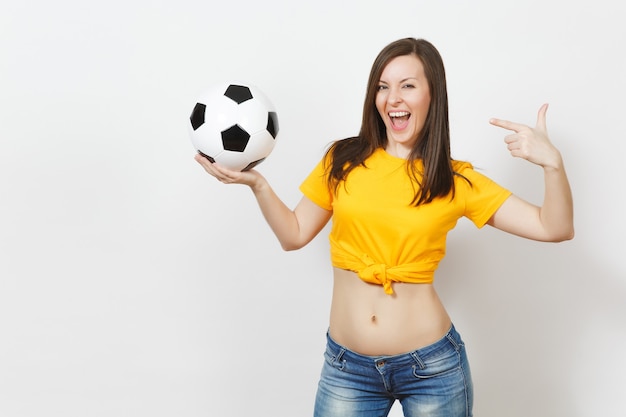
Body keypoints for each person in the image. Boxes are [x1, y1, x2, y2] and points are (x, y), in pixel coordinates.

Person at [195, 37, 574, 417]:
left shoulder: (455, 180)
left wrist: (552, 165)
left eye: (408, 85)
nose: (393, 98)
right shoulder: (342, 159)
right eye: (383, 86)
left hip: (432, 368)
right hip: (347, 368)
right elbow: (293, 235)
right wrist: (258, 185)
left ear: (432, 96)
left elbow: (553, 227)